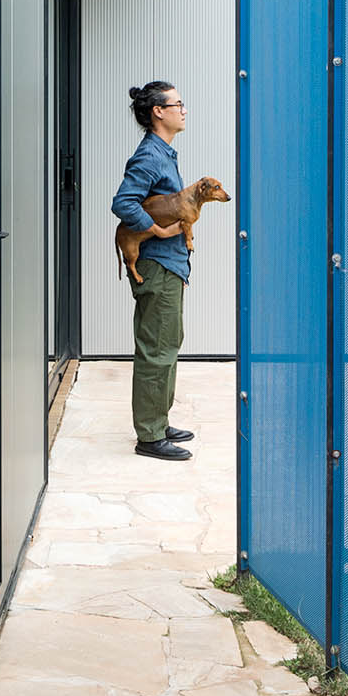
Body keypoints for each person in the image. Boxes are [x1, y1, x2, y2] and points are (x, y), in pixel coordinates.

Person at [112, 80, 195, 460]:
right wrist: (157, 229)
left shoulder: (165, 153)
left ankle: (159, 422)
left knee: (168, 340)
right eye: (178, 104)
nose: (184, 109)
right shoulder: (150, 156)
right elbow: (124, 202)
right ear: (158, 112)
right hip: (157, 266)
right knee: (156, 347)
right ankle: (149, 435)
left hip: (169, 265)